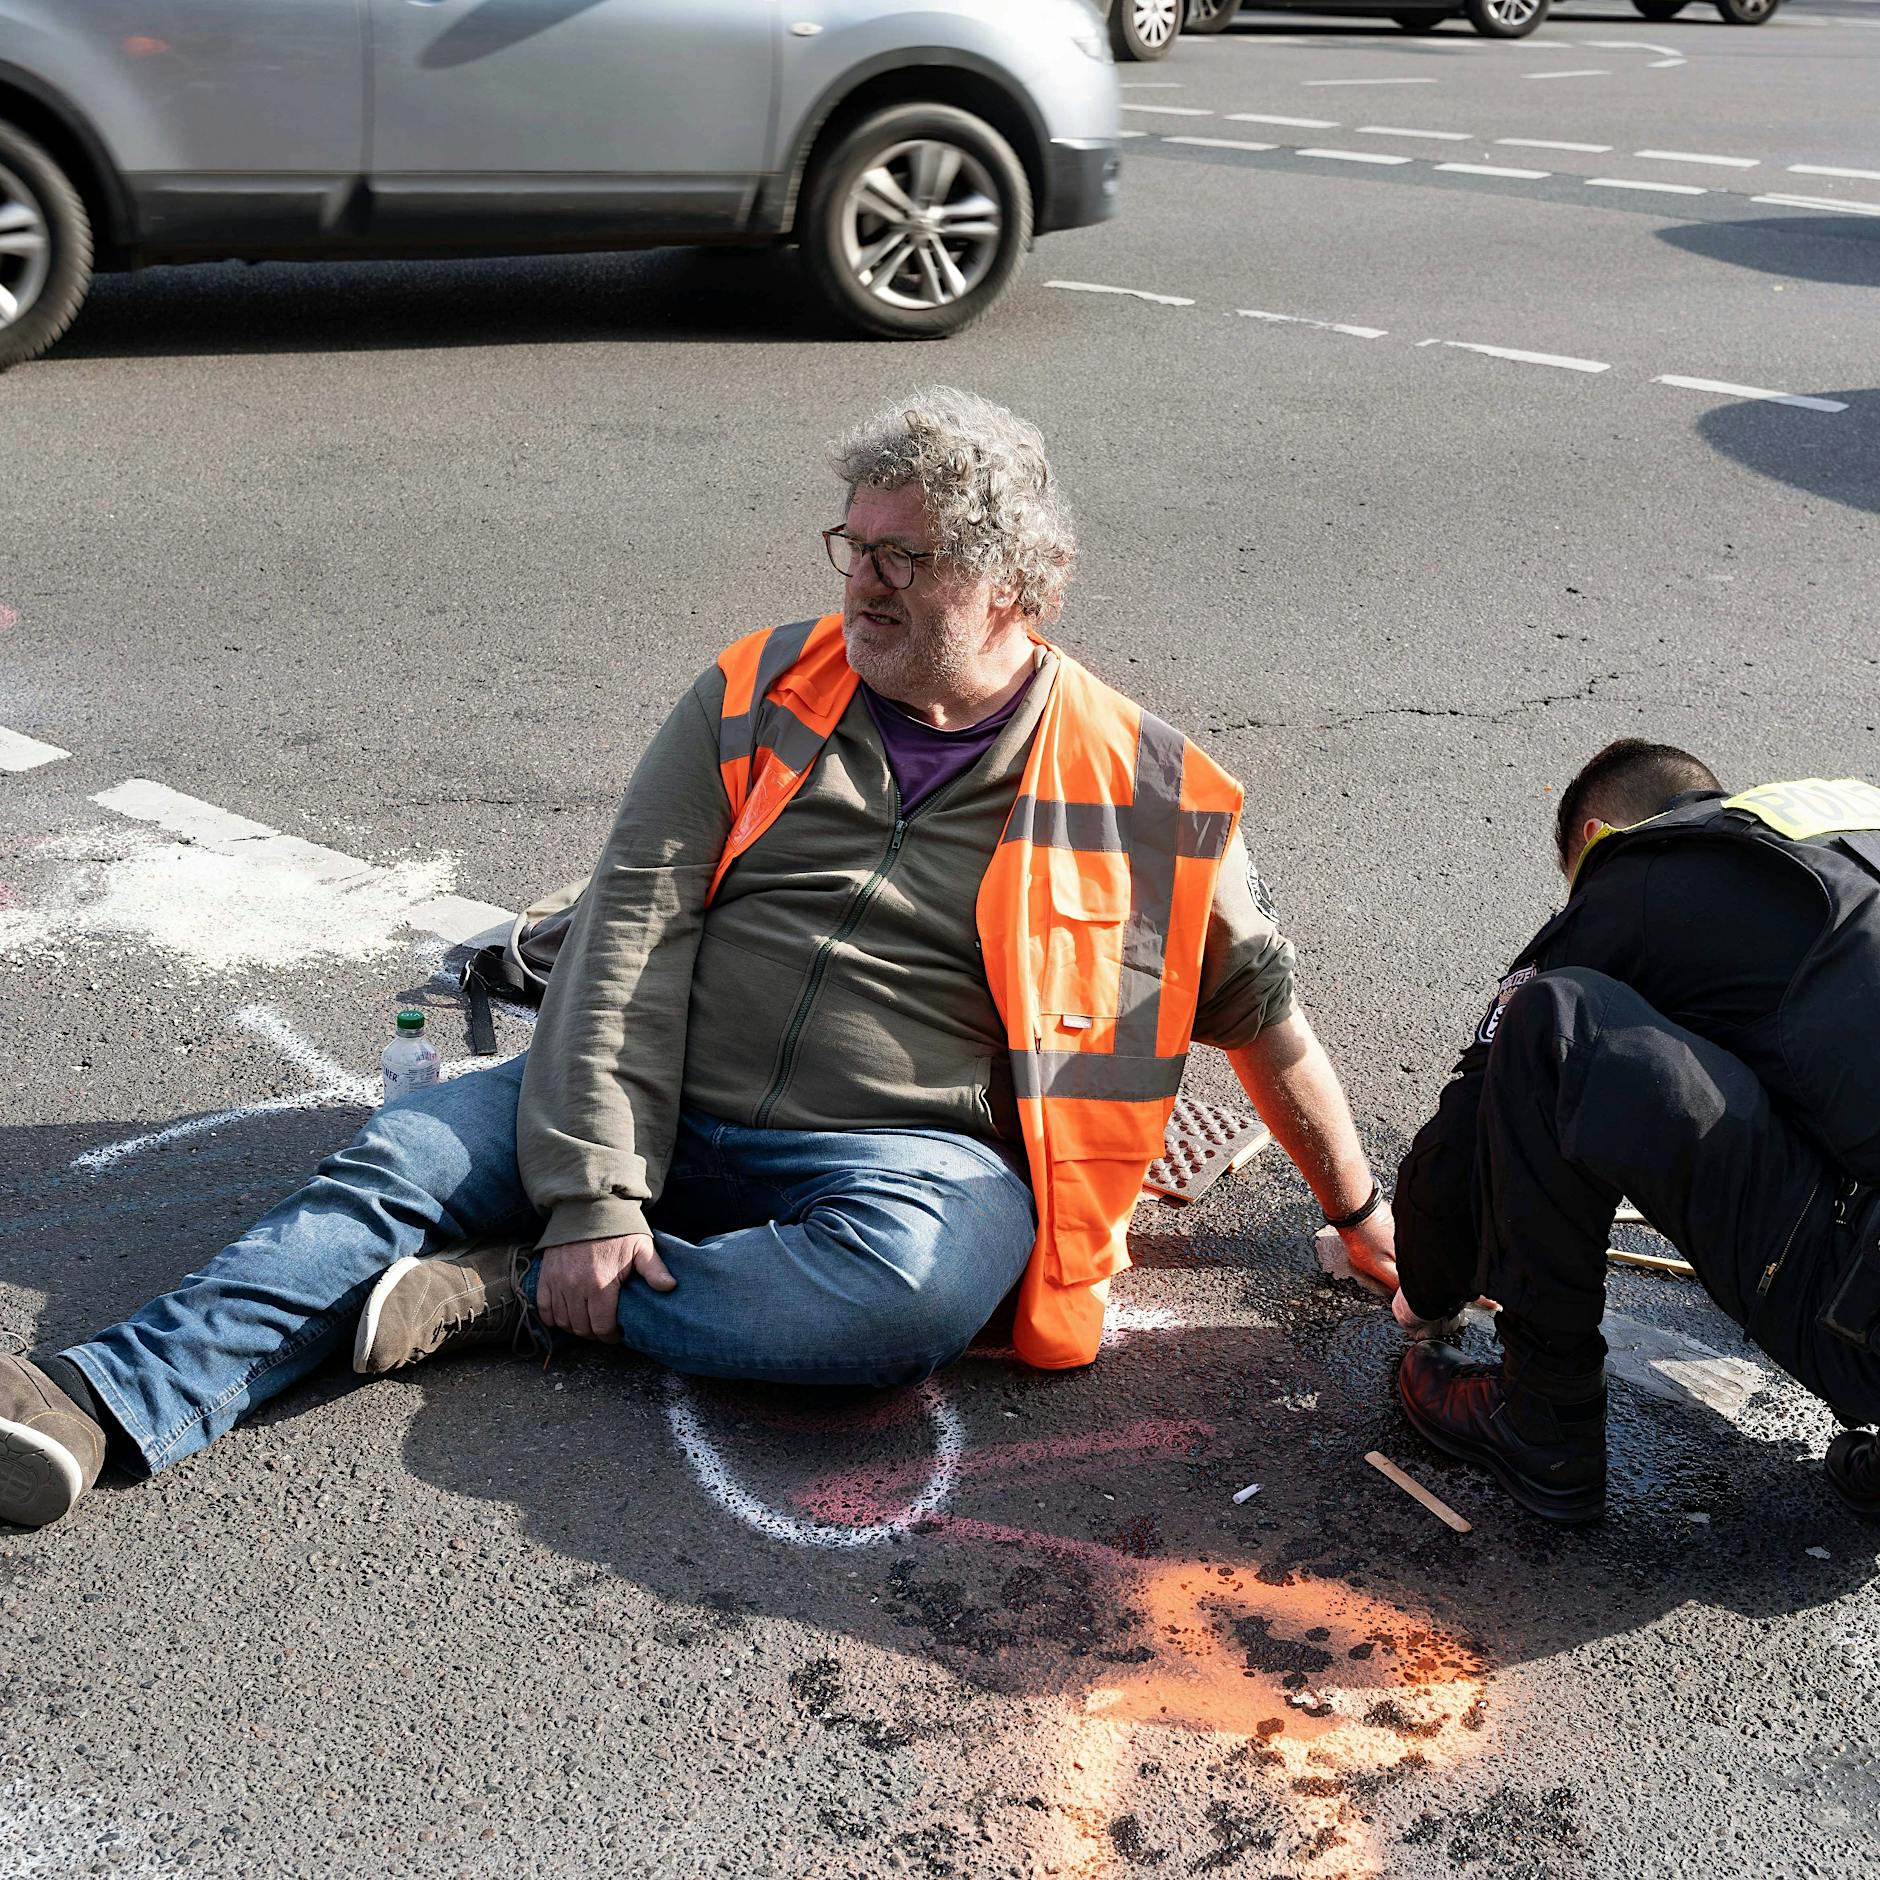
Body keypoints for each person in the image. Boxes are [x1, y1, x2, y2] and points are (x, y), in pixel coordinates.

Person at [1, 387, 1397, 1531]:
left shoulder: (1142, 788)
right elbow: (628, 933)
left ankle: (513, 1301)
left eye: (906, 557)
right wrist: (597, 1190)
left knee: (918, 1289)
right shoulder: (754, 686)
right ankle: (101, 1399)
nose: (864, 580)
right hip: (653, 1083)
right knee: (406, 1159)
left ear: (1016, 584)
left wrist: (1357, 1214)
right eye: (852, 544)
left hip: (895, 1157)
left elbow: (1261, 1013)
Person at [1390, 740, 1880, 1524]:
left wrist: (1422, 1291)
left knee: (1555, 1021)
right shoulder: (1841, 841)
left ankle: (1542, 1420)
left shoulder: (1641, 875)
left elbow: (1463, 1144)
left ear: (1593, 839)